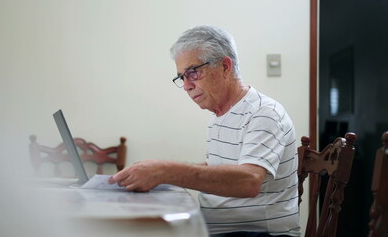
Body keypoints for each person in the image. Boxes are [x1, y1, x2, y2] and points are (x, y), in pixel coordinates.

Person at [109, 25, 300, 237]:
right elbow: (218, 170)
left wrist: (163, 171)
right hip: (219, 230)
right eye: (181, 77)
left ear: (225, 67)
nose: (187, 86)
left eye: (192, 73)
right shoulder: (220, 115)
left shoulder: (264, 113)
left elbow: (248, 181)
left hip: (257, 233)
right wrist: (157, 175)